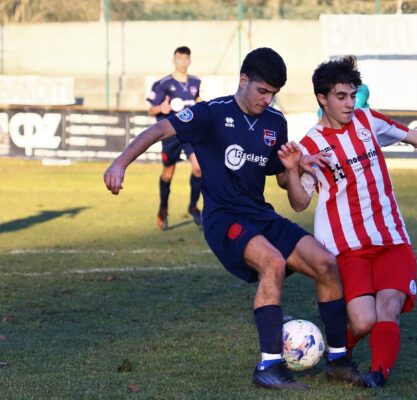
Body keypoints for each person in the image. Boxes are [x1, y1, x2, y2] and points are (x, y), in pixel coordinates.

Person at [104, 47, 365, 390]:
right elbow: (158, 131)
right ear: (243, 80)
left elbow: (282, 179)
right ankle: (269, 367)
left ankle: (338, 360)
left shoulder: (275, 122)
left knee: (326, 263)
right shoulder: (210, 113)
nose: (267, 99)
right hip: (223, 217)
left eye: (273, 93)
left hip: (259, 214)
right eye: (262, 91)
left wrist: (293, 167)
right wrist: (121, 162)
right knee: (271, 262)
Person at [278, 56, 417, 388]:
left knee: (390, 306)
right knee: (364, 321)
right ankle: (338, 354)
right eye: (341, 96)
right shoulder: (311, 144)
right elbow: (298, 203)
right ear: (322, 98)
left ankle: (378, 374)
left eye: (353, 95)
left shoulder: (368, 121)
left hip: (391, 237)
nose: (350, 103)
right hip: (348, 247)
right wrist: (294, 170)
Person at [147, 46, 203, 230]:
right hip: (171, 134)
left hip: (190, 133)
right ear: (174, 60)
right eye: (180, 58)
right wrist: (160, 109)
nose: (183, 62)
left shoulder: (195, 82)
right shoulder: (163, 84)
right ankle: (163, 208)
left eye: (186, 58)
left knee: (198, 168)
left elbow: (197, 100)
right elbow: (151, 110)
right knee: (168, 173)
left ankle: (193, 206)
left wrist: (203, 106)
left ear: (190, 60)